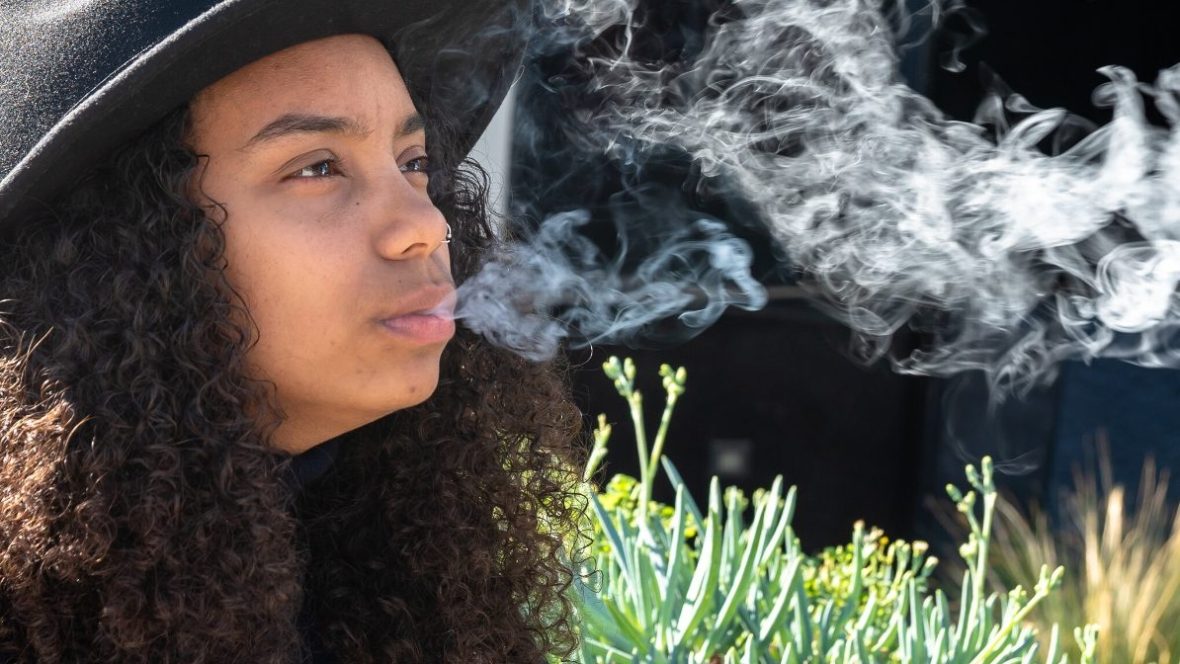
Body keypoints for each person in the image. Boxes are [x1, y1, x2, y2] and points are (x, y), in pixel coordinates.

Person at [0, 1, 585, 662]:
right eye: (316, 168)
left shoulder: (395, 582)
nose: (423, 224)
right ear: (120, 249)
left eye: (413, 162)